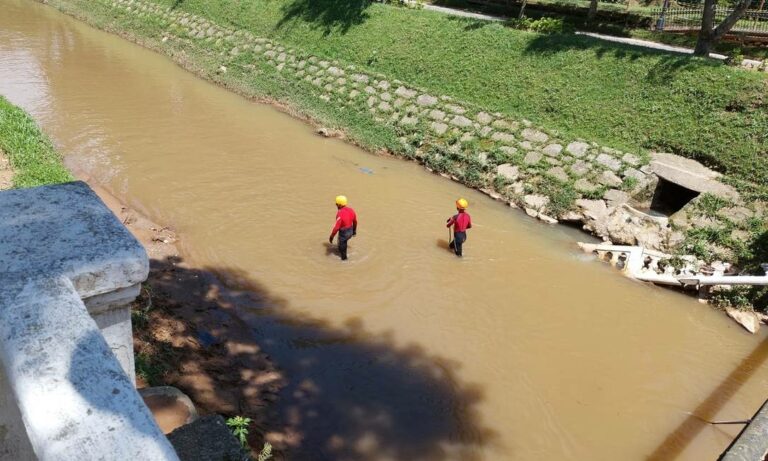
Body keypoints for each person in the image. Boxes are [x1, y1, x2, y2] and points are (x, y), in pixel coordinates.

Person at [329, 195, 358, 261]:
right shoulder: (351, 210)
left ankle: (344, 261)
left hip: (344, 233)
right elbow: (355, 221)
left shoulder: (340, 213)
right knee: (341, 243)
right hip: (350, 231)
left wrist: (331, 236)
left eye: (336, 204)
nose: (336, 205)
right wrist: (354, 231)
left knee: (343, 253)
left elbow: (336, 228)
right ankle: (340, 248)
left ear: (339, 205)